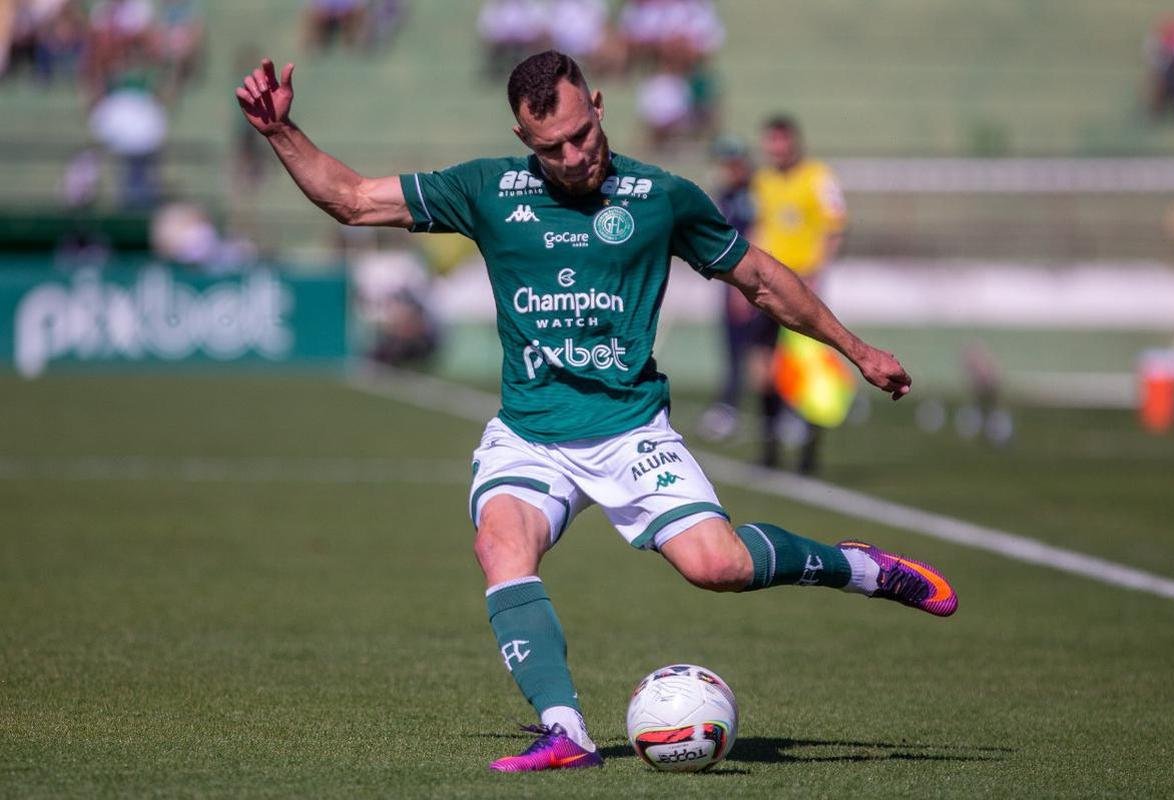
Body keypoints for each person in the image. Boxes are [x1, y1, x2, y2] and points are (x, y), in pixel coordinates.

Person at [235, 50, 957, 773]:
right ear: (524, 139)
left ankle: (858, 568)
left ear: (600, 105)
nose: (574, 156)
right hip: (530, 434)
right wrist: (280, 132)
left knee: (719, 566)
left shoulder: (661, 197)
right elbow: (353, 199)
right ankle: (566, 732)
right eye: (552, 147)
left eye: (582, 134)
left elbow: (762, 279)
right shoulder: (487, 190)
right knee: (500, 547)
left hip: (630, 430)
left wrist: (857, 350)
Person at [751, 113, 847, 473]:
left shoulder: (818, 177)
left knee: (810, 369)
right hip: (768, 286)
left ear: (794, 141)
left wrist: (818, 272)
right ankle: (770, 446)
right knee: (763, 364)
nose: (776, 148)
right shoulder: (762, 181)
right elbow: (759, 227)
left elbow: (834, 228)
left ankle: (809, 452)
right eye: (771, 141)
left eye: (782, 140)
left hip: (805, 285)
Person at [698, 136, 782, 448]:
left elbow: (757, 237)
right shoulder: (727, 194)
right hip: (732, 282)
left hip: (749, 283)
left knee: (759, 353)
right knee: (737, 352)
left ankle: (769, 413)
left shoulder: (755, 194)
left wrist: (744, 288)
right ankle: (737, 407)